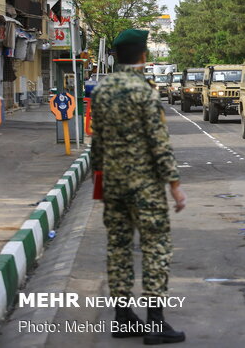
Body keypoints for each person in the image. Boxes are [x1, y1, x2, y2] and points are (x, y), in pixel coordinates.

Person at [91, 29, 187, 345]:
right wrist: (174, 184)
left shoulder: (102, 91)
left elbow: (97, 142)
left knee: (118, 249)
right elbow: (158, 142)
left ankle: (123, 318)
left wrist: (99, 177)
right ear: (143, 56)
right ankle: (156, 322)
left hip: (114, 185)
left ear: (117, 57)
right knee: (155, 247)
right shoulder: (145, 93)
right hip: (145, 186)